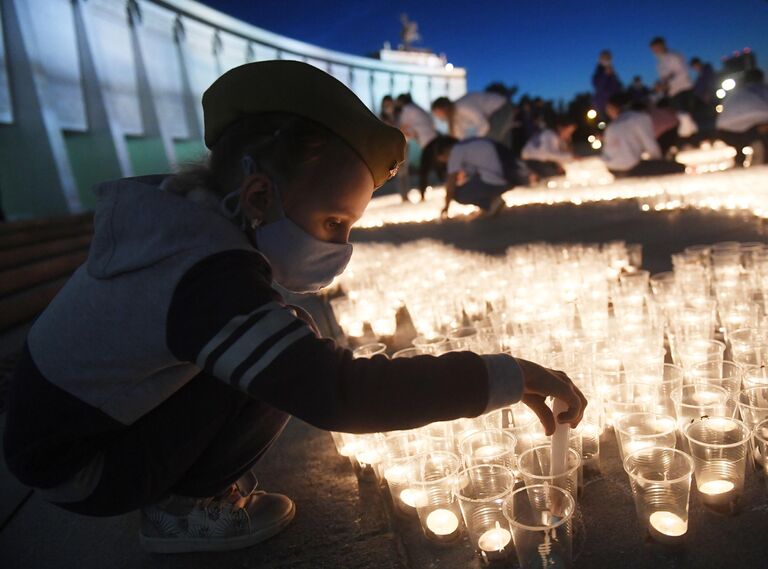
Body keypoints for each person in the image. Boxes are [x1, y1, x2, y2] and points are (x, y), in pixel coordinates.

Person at [2, 61, 586, 554]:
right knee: (278, 361)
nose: (339, 247)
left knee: (277, 341)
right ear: (259, 195)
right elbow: (337, 393)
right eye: (335, 223)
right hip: (81, 467)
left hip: (61, 436)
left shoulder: (178, 225)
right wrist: (502, 375)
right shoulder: (203, 276)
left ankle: (180, 483)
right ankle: (183, 510)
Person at [434, 136, 532, 217]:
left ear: (445, 151)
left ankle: (491, 203)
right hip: (511, 176)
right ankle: (493, 201)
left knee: (458, 193)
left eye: (444, 160)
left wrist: (446, 206)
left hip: (500, 180)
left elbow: (451, 183)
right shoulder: (469, 144)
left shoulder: (456, 151)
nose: (447, 162)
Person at [601, 92, 685, 177]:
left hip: (612, 168)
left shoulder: (612, 125)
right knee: (679, 167)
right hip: (630, 168)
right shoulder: (640, 118)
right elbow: (650, 144)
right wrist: (659, 163)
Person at [716, 69, 768, 166]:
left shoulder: (736, 92)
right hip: (750, 132)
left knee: (745, 135)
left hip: (723, 132)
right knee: (762, 127)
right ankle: (760, 152)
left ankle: (740, 160)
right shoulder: (762, 89)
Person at [431, 91, 515, 145]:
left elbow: (484, 125)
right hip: (490, 117)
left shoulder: (462, 107)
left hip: (501, 107)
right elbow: (459, 136)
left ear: (444, 108)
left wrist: (473, 142)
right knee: (493, 143)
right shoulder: (455, 118)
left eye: (438, 114)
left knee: (491, 142)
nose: (439, 117)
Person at [396, 94, 437, 201]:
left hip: (427, 139)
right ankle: (423, 192)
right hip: (431, 137)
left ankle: (423, 194)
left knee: (424, 169)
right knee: (431, 166)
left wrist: (404, 135)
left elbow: (403, 126)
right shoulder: (416, 107)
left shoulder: (407, 109)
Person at [649, 37, 694, 112]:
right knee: (683, 118)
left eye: (655, 48)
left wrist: (667, 84)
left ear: (662, 45)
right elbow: (665, 78)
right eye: (653, 49)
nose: (654, 51)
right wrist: (660, 85)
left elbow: (682, 72)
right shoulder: (659, 62)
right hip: (673, 93)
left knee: (689, 116)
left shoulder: (673, 56)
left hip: (684, 90)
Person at [592, 50, 622, 118]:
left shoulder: (613, 74)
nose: (607, 60)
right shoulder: (598, 74)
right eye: (604, 58)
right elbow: (599, 87)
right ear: (600, 60)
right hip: (603, 107)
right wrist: (605, 75)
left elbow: (618, 87)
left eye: (608, 58)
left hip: (616, 104)